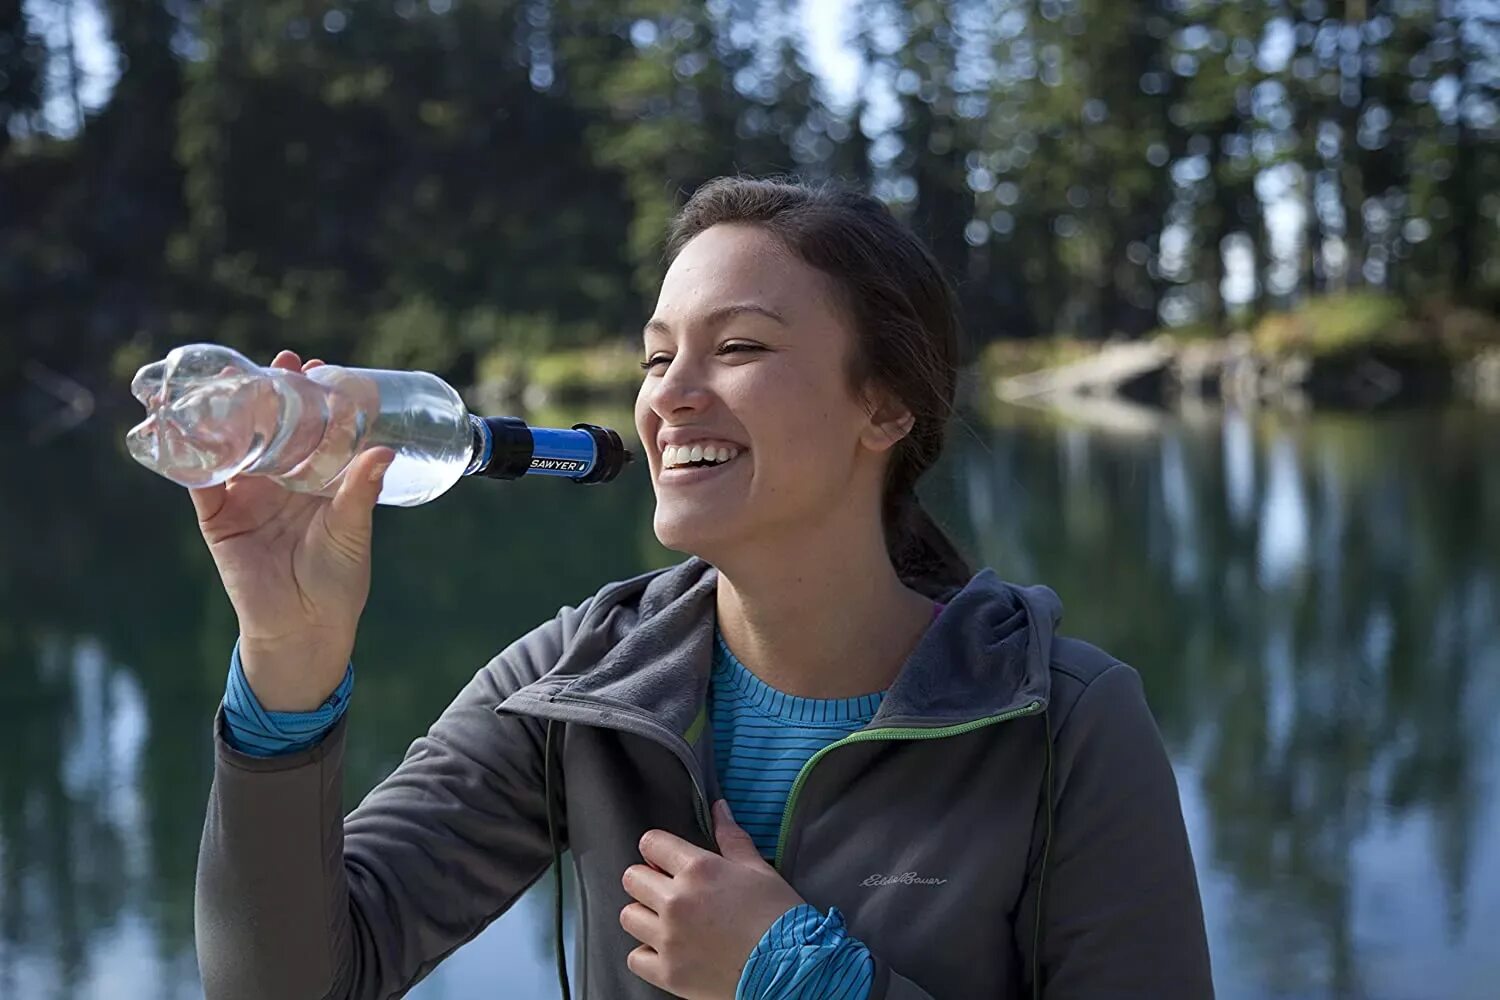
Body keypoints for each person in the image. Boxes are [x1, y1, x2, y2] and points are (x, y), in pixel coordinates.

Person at [192, 177, 1214, 1000]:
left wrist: (802, 982)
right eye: (657, 354)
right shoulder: (580, 681)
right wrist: (288, 657)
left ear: (887, 406)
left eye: (739, 348)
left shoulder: (1063, 720)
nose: (670, 394)